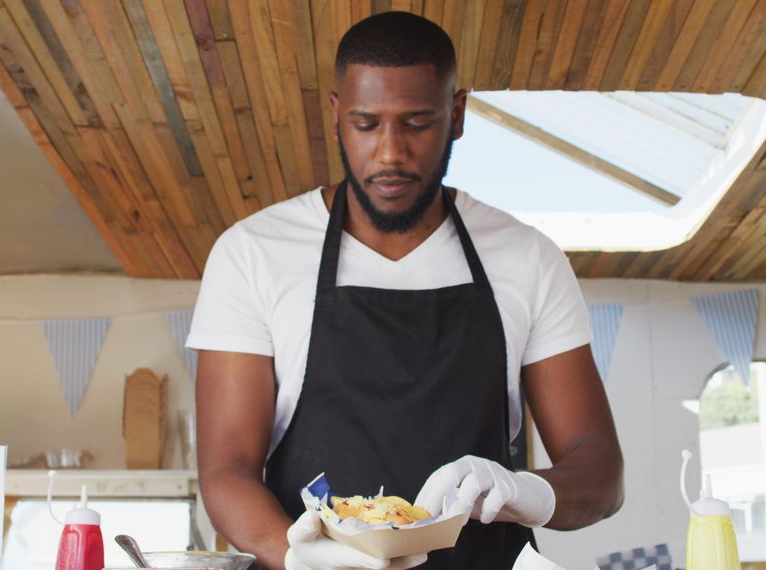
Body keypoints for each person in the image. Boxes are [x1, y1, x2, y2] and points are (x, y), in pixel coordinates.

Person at [188, 11, 623, 570]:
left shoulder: (528, 258)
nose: (390, 153)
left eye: (417, 123)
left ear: (457, 115)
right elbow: (226, 471)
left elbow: (602, 473)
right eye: (366, 124)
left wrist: (525, 492)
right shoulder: (253, 253)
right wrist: (297, 556)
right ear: (337, 115)